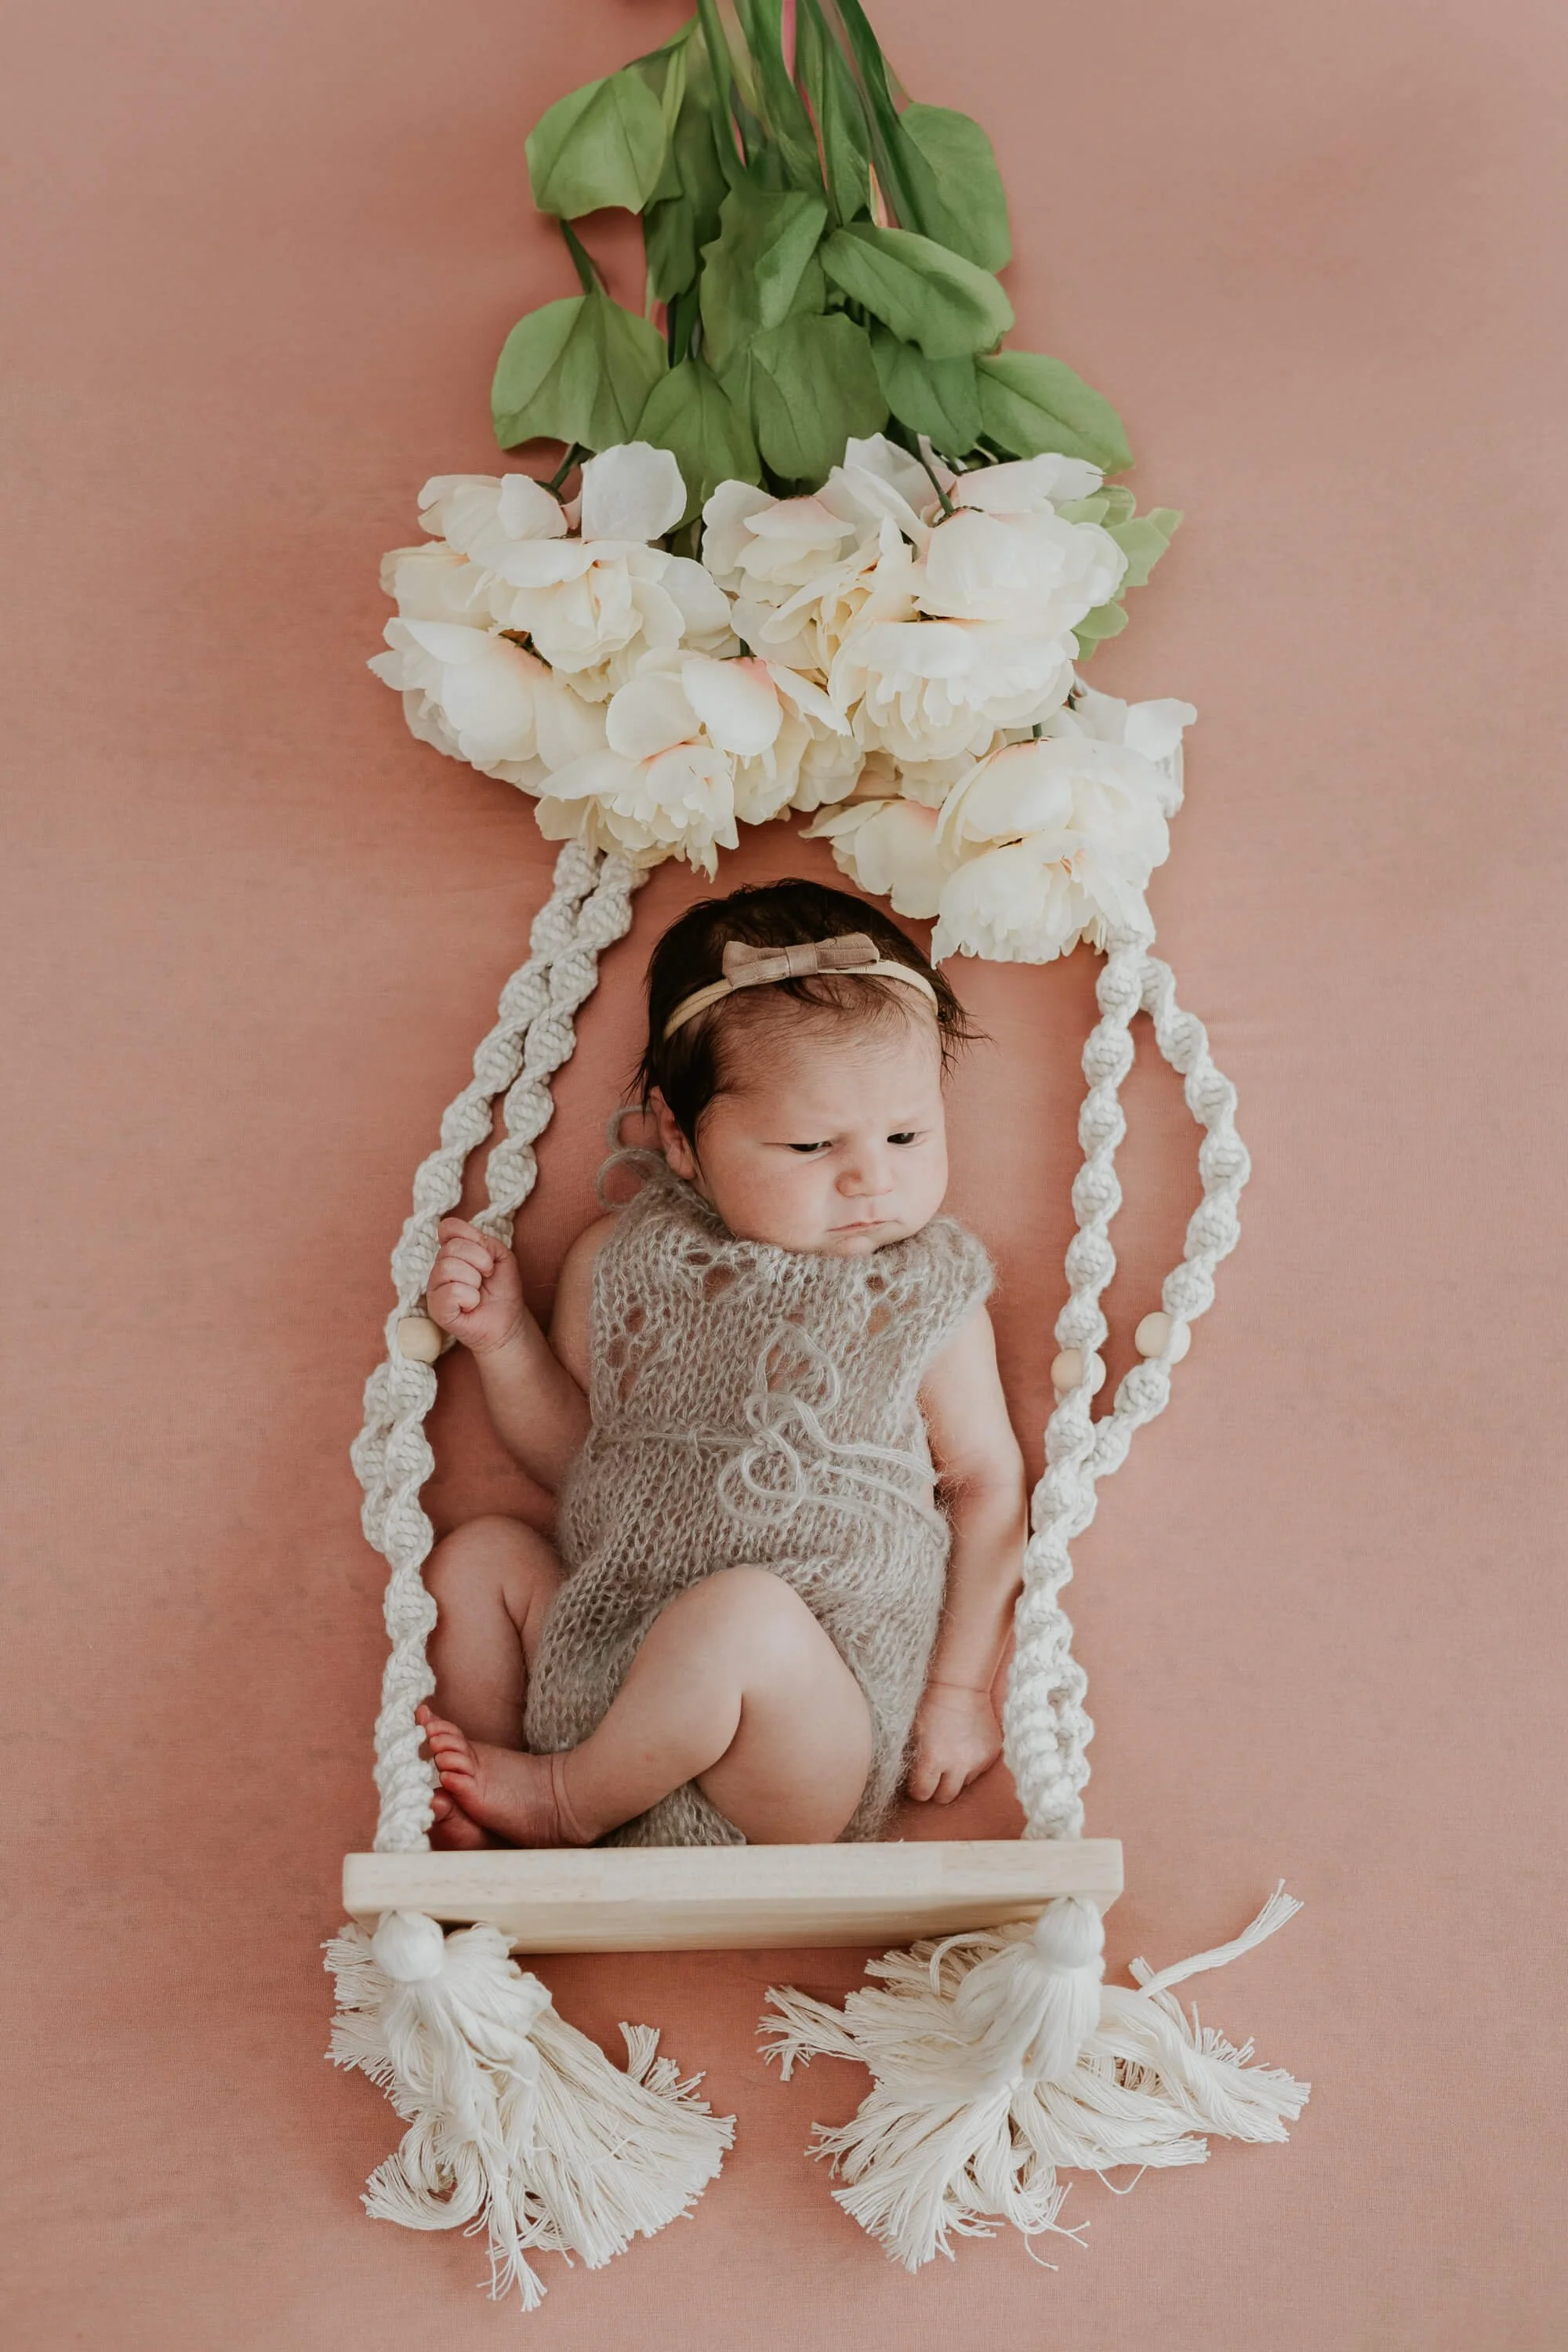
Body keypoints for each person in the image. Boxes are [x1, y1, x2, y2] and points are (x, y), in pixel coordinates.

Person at [415, 877, 1027, 1850]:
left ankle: (564, 1802)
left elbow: (989, 1488)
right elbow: (583, 1459)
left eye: (908, 1135)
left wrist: (960, 1692)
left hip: (795, 1733)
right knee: (477, 1557)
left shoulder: (923, 1300)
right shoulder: (620, 1267)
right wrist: (504, 1344)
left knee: (742, 1616)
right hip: (603, 1665)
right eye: (810, 1144)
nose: (873, 1175)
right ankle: (485, 1799)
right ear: (679, 1137)